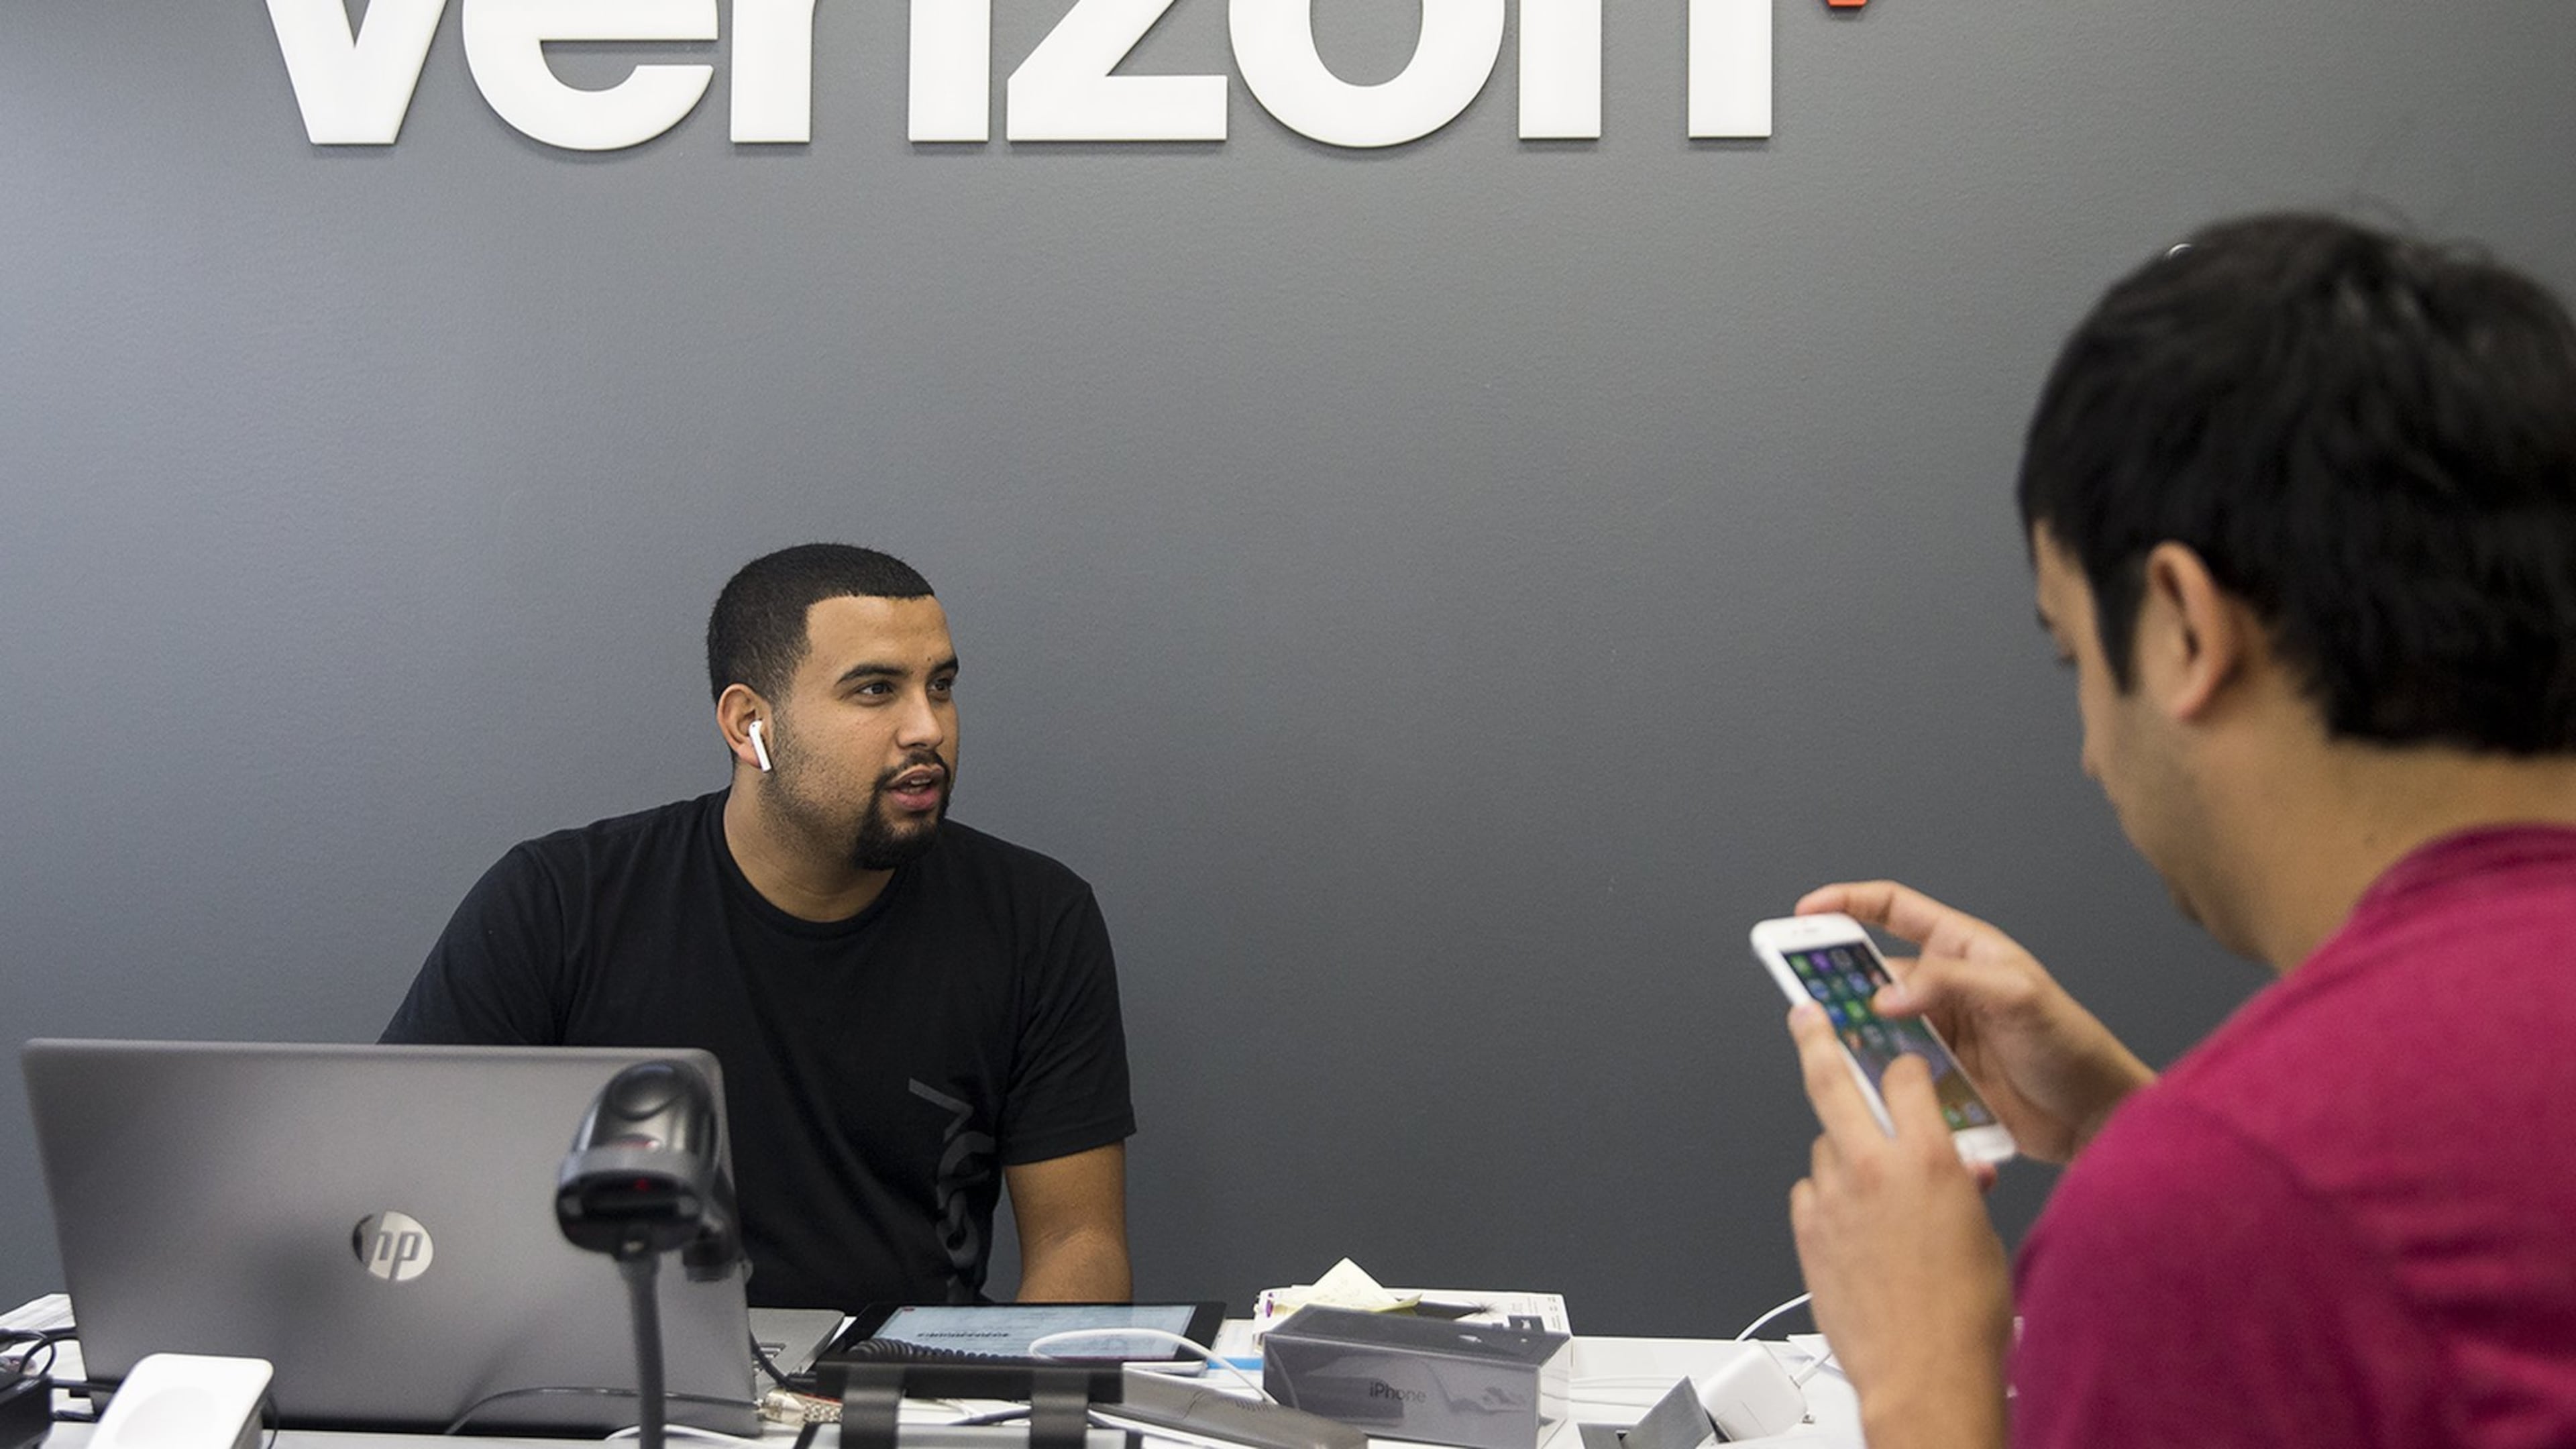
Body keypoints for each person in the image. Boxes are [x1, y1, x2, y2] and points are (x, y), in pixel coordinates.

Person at [1778, 213, 2576, 1449]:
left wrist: (1922, 1382)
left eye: (2075, 659)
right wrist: (2130, 1123)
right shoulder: (2270, 1193)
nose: (2092, 753)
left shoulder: (2203, 1224)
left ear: (2183, 629)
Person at [384, 543, 1136, 1310]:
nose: (927, 728)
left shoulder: (1034, 917)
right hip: (623, 1370)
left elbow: (1079, 1242)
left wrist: (1017, 1381)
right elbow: (397, 1189)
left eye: (939, 687)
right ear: (750, 726)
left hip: (911, 1375)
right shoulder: (557, 904)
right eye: (876, 690)